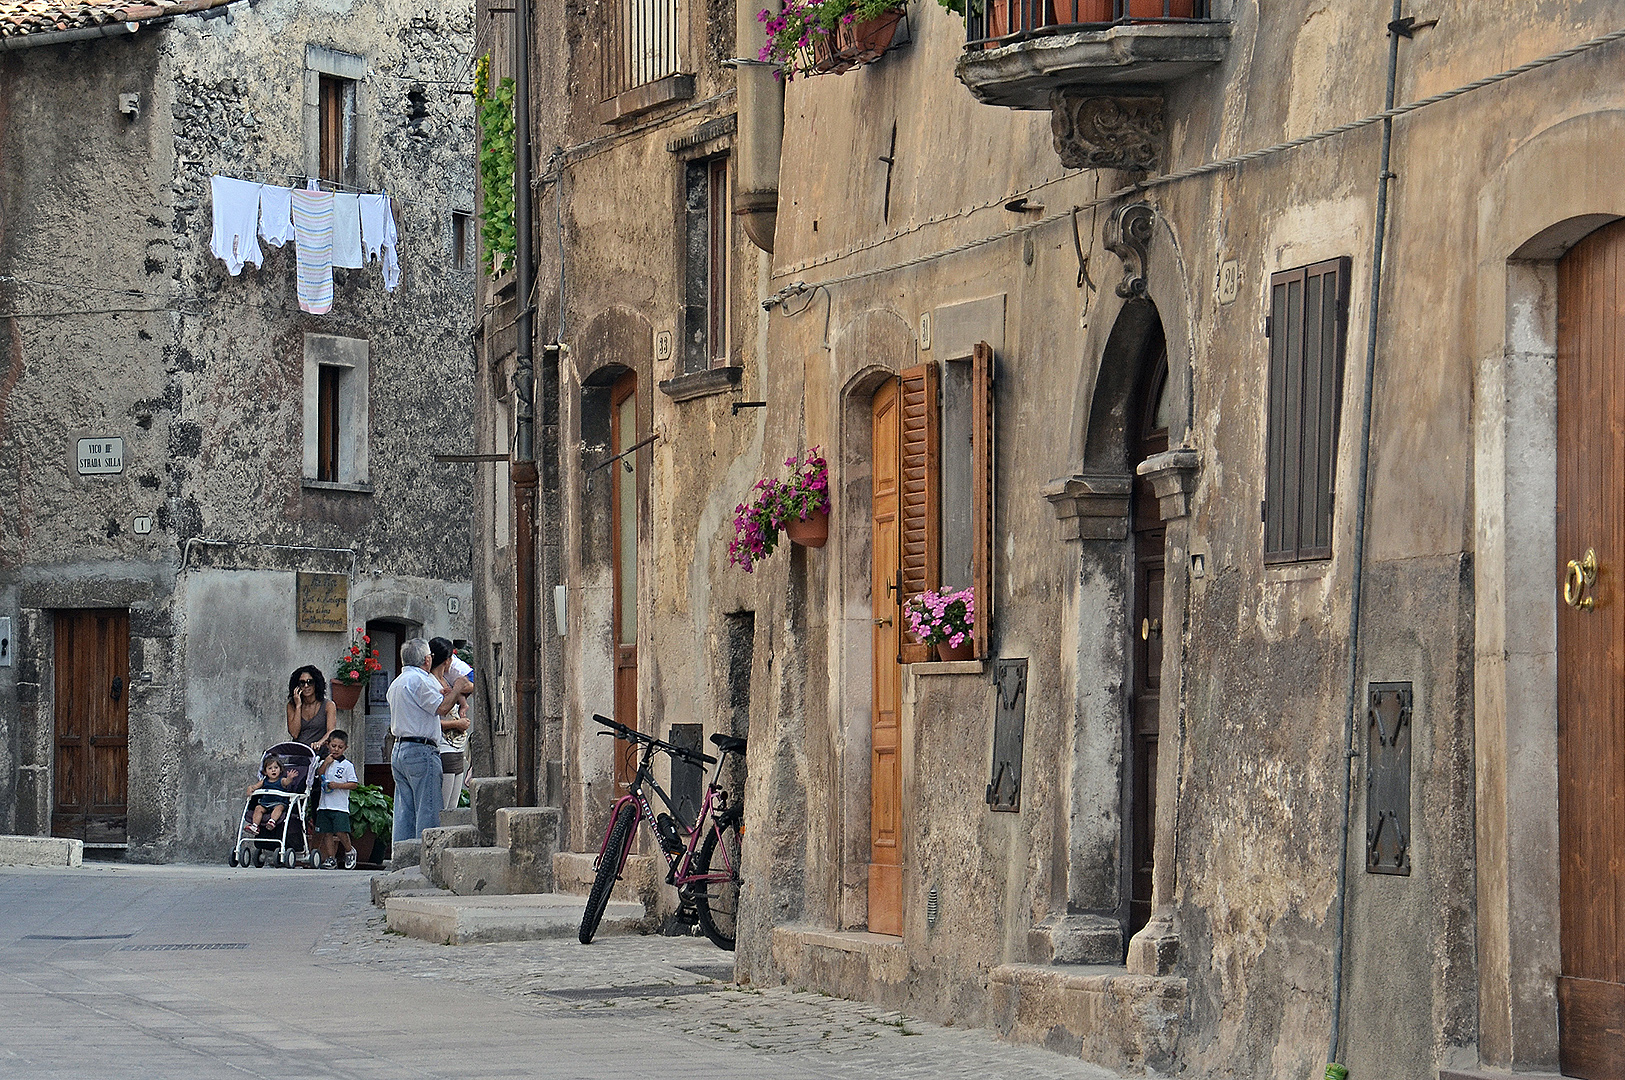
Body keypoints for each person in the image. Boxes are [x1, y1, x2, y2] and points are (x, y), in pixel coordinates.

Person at [386, 637, 470, 844]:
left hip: (400, 749)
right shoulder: (420, 680)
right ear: (426, 659)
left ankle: (402, 855)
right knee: (428, 808)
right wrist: (458, 688)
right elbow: (441, 709)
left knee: (405, 809)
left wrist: (444, 695)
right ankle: (425, 858)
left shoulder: (397, 682)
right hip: (420, 750)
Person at [429, 637, 473, 810]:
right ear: (446, 660)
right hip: (443, 747)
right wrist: (457, 724)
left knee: (453, 805)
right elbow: (433, 719)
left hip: (455, 747)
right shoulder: (430, 682)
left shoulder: (445, 679)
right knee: (444, 806)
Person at [313, 730, 360, 869]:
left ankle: (349, 850)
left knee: (340, 831)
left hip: (339, 805)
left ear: (345, 748)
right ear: (328, 745)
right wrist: (325, 763)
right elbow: (318, 774)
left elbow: (354, 784)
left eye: (340, 747)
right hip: (324, 804)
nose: (336, 750)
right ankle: (330, 857)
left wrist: (338, 785)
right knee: (326, 832)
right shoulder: (324, 762)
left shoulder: (347, 766)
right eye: (333, 746)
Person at [286, 666, 338, 751]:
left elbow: (331, 731)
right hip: (299, 753)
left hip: (320, 754)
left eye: (310, 682)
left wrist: (319, 743)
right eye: (302, 683)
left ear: (316, 683)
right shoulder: (292, 706)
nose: (306, 686)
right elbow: (294, 734)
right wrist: (298, 706)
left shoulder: (328, 705)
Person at [244, 756, 295, 835]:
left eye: (276, 767)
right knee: (258, 808)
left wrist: (290, 778)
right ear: (265, 772)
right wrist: (250, 788)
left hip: (278, 802)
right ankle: (255, 826)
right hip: (265, 803)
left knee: (279, 808)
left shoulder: (281, 780)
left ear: (280, 770)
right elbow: (255, 787)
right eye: (270, 768)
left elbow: (287, 782)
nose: (273, 770)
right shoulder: (264, 781)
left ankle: (272, 821)